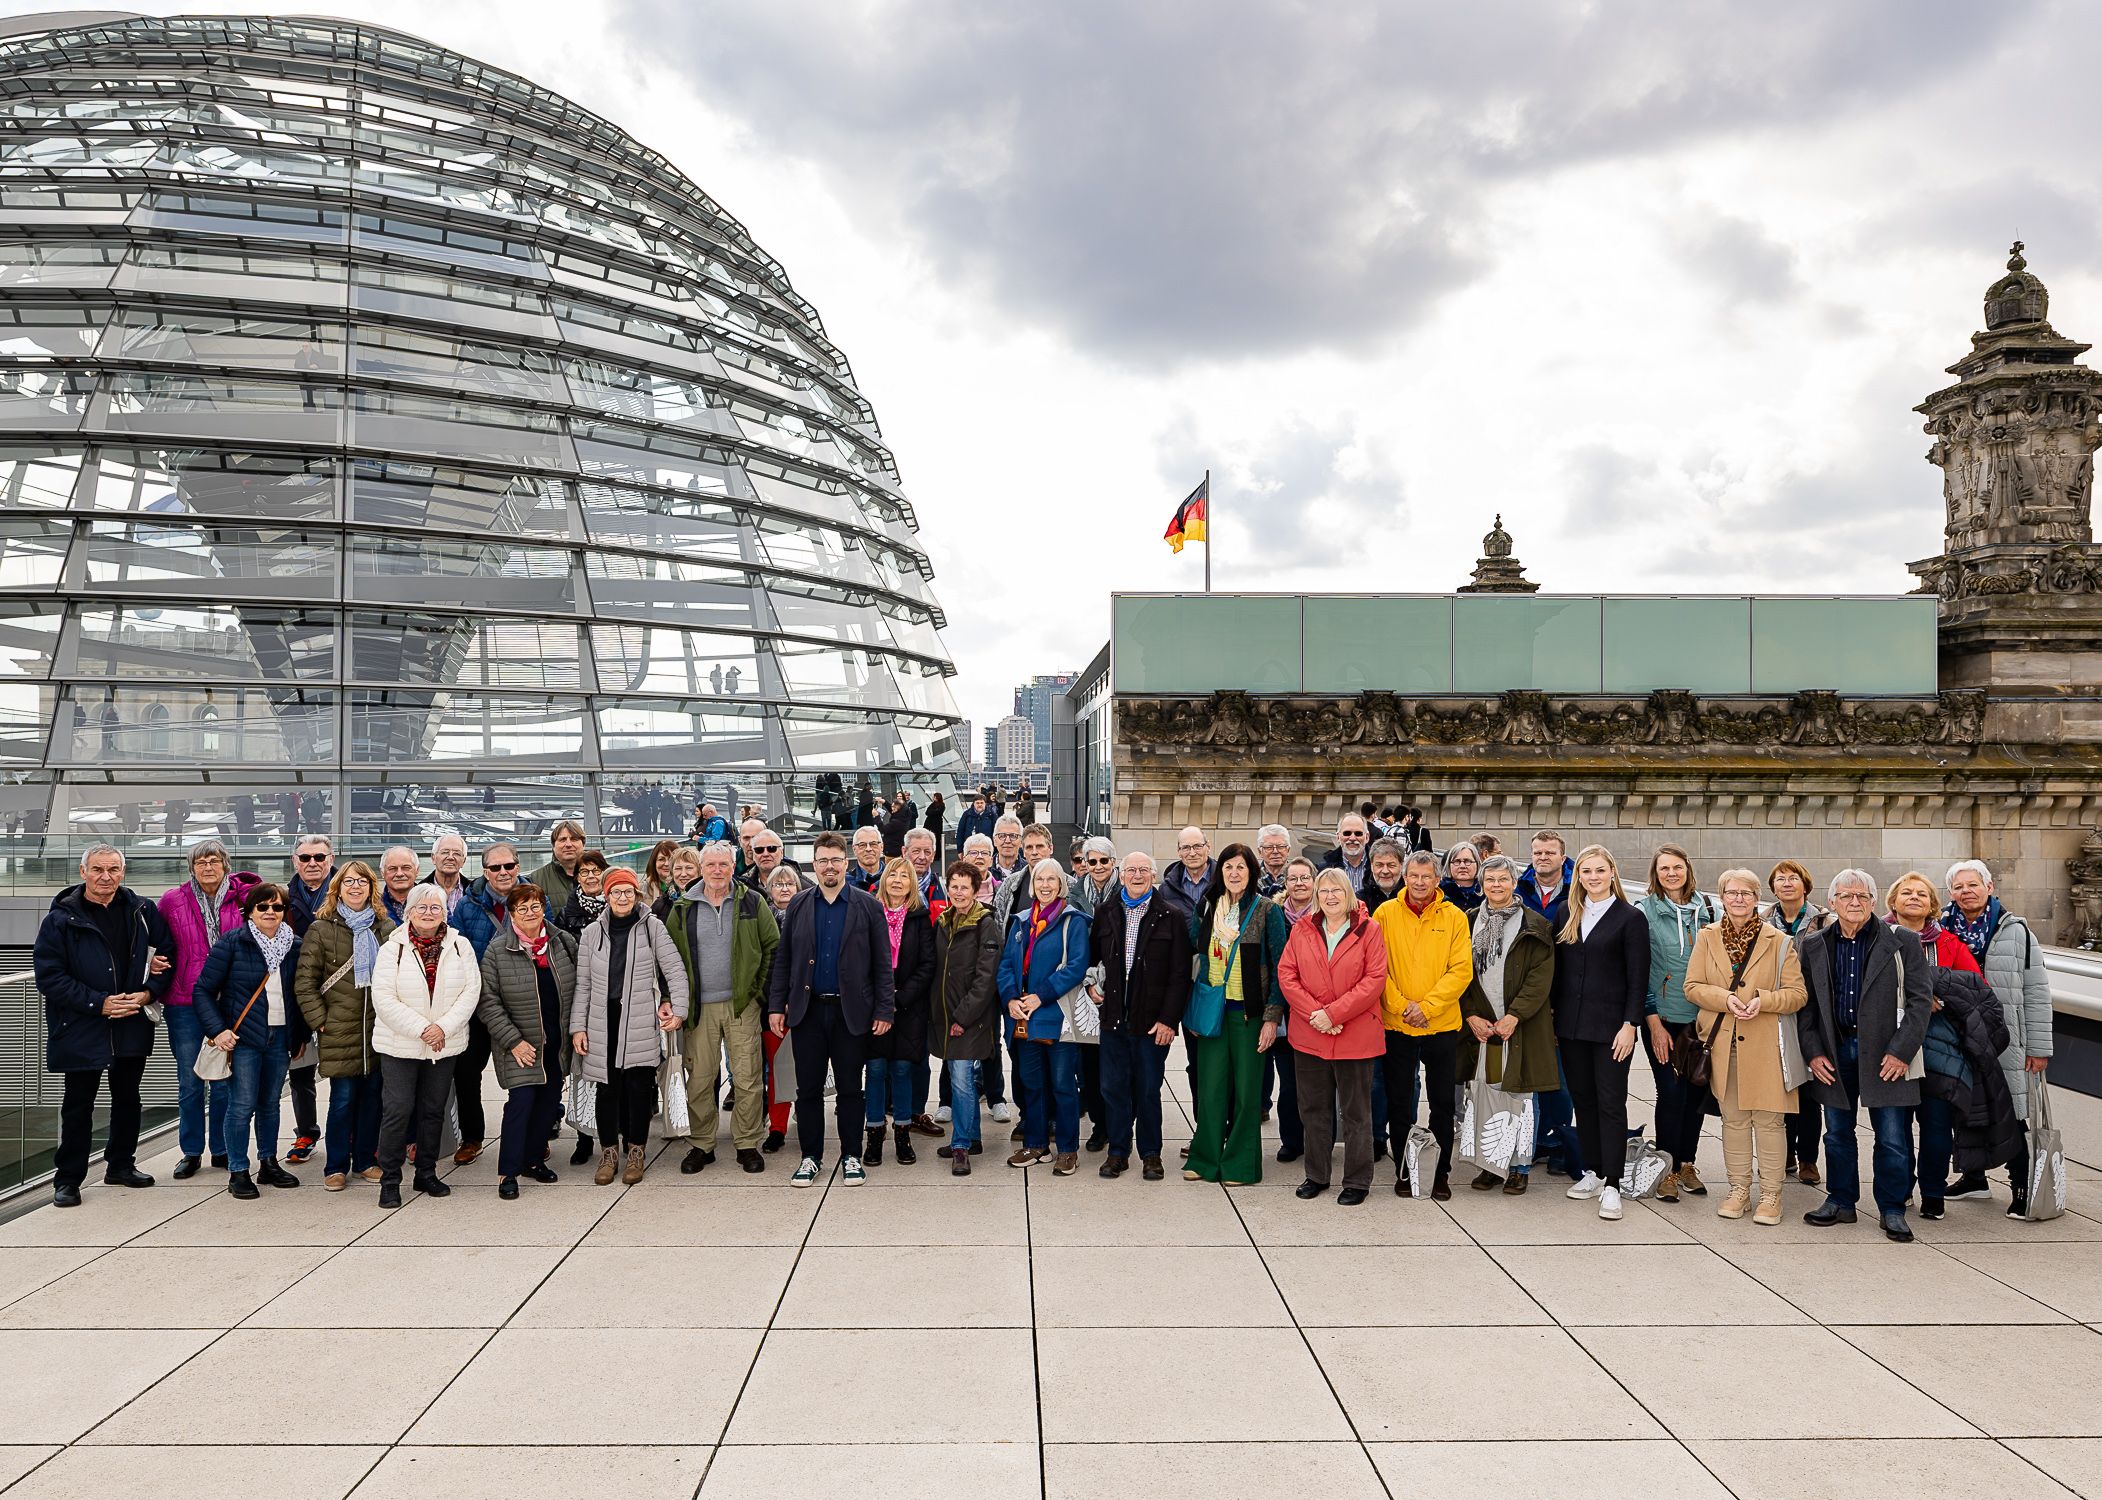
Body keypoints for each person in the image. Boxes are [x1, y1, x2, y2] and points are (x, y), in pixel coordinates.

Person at [1797, 869, 1933, 1241]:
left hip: (1887, 1055)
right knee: (1837, 1134)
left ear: (1874, 902)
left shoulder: (1903, 941)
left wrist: (1902, 1052)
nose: (1854, 903)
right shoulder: (1814, 944)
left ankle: (1891, 1208)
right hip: (1834, 1053)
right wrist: (1812, 1053)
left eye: (1862, 896)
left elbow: (1921, 1002)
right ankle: (1841, 1201)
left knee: (1892, 1136)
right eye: (1846, 896)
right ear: (1832, 902)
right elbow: (1805, 1007)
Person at [35, 844, 173, 1208]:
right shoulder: (61, 919)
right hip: (83, 1025)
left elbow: (167, 955)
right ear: (83, 872)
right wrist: (99, 1004)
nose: (105, 877)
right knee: (78, 1105)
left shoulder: (143, 910)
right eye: (97, 869)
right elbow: (50, 977)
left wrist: (147, 994)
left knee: (128, 1099)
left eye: (113, 869)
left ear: (123, 872)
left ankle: (121, 1166)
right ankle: (68, 1180)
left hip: (131, 1020)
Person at [1683, 869, 1808, 1226]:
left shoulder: (1779, 941)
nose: (1738, 899)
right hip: (1723, 1043)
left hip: (1766, 1043)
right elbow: (1692, 986)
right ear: (1721, 897)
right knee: (1734, 1121)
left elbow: (1797, 994)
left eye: (1746, 893)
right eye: (1731, 892)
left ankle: (1771, 1194)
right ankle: (1739, 1188)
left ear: (1757, 898)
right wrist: (1724, 998)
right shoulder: (1707, 938)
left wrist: (1762, 999)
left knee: (1769, 1122)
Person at [770, 832, 895, 1187]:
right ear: (814, 863)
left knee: (850, 1090)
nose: (829, 866)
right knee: (807, 1089)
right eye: (822, 860)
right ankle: (811, 1156)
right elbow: (785, 960)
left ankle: (851, 1155)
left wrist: (884, 1010)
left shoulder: (867, 906)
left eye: (835, 860)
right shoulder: (798, 904)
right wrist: (777, 1005)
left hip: (850, 1014)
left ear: (846, 863)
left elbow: (882, 964)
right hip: (808, 1013)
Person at [1885, 871, 2000, 1219]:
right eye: (1906, 892)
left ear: (1932, 904)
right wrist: (1916, 995)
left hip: (1941, 1050)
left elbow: (1977, 990)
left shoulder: (1949, 944)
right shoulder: (1877, 940)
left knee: (1936, 1127)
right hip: (1892, 1046)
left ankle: (1933, 1191)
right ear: (1893, 901)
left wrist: (1943, 992)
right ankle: (1901, 1189)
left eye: (1922, 893)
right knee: (1895, 1127)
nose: (1914, 897)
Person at [1942, 859, 2052, 1217]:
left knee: (2011, 1112)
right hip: (1959, 1032)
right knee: (1966, 1106)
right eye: (1959, 887)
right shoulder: (1942, 928)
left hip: (2006, 1037)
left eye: (1973, 885)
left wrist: (2038, 1047)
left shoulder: (2016, 931)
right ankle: (1974, 1178)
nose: (1966, 892)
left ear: (1989, 888)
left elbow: (2036, 992)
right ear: (1950, 893)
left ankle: (2021, 1185)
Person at [666, 841, 780, 1175]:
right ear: (702, 868)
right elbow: (669, 957)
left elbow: (772, 947)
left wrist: (757, 993)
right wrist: (673, 1000)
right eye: (711, 865)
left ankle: (746, 1142)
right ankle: (702, 1144)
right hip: (699, 1008)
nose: (718, 871)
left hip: (741, 1006)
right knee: (700, 1078)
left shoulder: (752, 901)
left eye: (724, 865)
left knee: (748, 1078)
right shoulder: (683, 907)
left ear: (734, 866)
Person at [1278, 867, 1389, 1203]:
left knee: (1356, 1113)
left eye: (1336, 890)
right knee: (1313, 1109)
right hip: (1310, 1033)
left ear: (1348, 894)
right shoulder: (1302, 928)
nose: (1330, 896)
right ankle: (1316, 1174)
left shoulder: (1369, 929)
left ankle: (1356, 1181)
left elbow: (1374, 979)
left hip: (1355, 1034)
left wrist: (1333, 1014)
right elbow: (1287, 974)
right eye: (1323, 890)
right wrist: (1317, 1015)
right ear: (1316, 895)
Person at [572, 868, 689, 1186]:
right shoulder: (592, 933)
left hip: (638, 1018)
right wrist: (578, 1028)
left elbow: (674, 969)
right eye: (615, 892)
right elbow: (582, 985)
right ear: (606, 896)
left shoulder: (652, 927)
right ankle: (608, 1153)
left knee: (639, 1089)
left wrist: (678, 1009)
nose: (622, 898)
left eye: (627, 891)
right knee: (606, 1090)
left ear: (636, 894)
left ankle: (636, 1151)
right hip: (601, 1021)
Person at [371, 882, 483, 1208]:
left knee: (433, 1111)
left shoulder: (460, 946)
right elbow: (383, 997)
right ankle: (390, 1180)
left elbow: (470, 992)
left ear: (445, 910)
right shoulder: (393, 948)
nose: (429, 912)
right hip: (400, 1045)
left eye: (435, 907)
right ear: (409, 912)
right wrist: (423, 1029)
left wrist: (443, 1028)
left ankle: (426, 1172)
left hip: (443, 1045)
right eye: (421, 907)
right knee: (397, 1111)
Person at [1551, 845, 1647, 1221]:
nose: (1593, 877)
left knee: (1610, 1103)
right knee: (1583, 1100)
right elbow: (1560, 973)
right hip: (1573, 1027)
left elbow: (1638, 979)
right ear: (1579, 876)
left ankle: (1613, 1184)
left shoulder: (1629, 918)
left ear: (1612, 873)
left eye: (1599, 870)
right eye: (1586, 871)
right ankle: (1592, 1170)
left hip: (1612, 1029)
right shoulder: (1566, 912)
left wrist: (1630, 1025)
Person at [1185, 844, 1289, 1185]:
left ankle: (1241, 1165)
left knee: (1246, 1093)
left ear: (1251, 873)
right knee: (1211, 1089)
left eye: (1240, 868)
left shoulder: (1265, 911)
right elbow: (1197, 956)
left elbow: (1279, 968)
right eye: (1228, 867)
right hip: (1214, 1010)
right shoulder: (1209, 907)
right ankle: (1205, 1160)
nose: (1233, 873)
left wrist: (1272, 1018)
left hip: (1250, 1015)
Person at [1372, 850, 1473, 1199]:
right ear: (1404, 875)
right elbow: (1377, 967)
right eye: (1413, 876)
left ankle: (1440, 1171)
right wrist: (1401, 1006)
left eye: (1426, 877)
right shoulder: (1385, 914)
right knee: (1400, 1102)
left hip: (1441, 1025)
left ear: (1437, 878)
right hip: (1397, 1025)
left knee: (1442, 1103)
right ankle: (1404, 1167)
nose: (1419, 882)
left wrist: (1427, 1007)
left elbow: (1461, 970)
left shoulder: (1455, 917)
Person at [193, 883, 304, 1198]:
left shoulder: (294, 945)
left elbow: (299, 994)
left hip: (280, 1036)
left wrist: (299, 1035)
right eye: (263, 907)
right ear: (250, 912)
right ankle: (238, 1171)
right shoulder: (233, 943)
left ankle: (268, 1162)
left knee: (270, 1104)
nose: (270, 912)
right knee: (241, 1105)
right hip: (243, 1039)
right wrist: (218, 1030)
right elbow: (202, 991)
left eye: (277, 907)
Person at [1087, 850, 1191, 1181]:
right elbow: (1092, 959)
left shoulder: (1170, 916)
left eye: (1143, 870)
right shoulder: (1105, 912)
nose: (1136, 875)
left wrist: (1168, 1021)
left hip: (1151, 1024)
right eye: (1130, 870)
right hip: (1114, 1020)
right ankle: (1118, 1152)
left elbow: (1179, 974)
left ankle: (1150, 1154)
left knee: (1147, 1090)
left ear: (1153, 876)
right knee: (1113, 1089)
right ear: (1121, 875)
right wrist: (1092, 986)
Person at [1455, 855, 1556, 1196]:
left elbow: (1540, 977)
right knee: (1482, 1092)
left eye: (1503, 879)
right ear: (1482, 884)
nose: (1496, 885)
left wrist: (1515, 1015)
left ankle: (1519, 1167)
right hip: (1482, 1025)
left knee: (1520, 1095)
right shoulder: (1469, 922)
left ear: (1515, 882)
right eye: (1490, 880)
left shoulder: (1535, 924)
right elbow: (1460, 973)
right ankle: (1489, 1165)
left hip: (1520, 1025)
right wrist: (1470, 1014)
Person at [156, 838, 255, 1179]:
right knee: (190, 1080)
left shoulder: (242, 899)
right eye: (200, 863)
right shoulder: (172, 900)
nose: (208, 868)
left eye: (213, 861)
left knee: (225, 1080)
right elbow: (156, 941)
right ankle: (191, 1150)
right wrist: (151, 963)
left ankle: (223, 1149)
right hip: (184, 1001)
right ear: (192, 868)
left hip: (230, 1001)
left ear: (225, 864)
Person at [293, 861, 394, 1191]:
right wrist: (320, 1022)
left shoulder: (386, 928)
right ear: (338, 888)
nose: (355, 887)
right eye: (348, 881)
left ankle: (365, 1160)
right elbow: (305, 982)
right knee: (342, 1101)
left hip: (377, 1029)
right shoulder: (321, 929)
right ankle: (335, 1166)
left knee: (372, 1100)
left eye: (362, 882)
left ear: (371, 888)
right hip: (339, 1029)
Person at [478, 881, 577, 1199]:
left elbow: (579, 988)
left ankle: (533, 1161)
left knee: (548, 1105)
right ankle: (508, 1171)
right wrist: (513, 1041)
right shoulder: (497, 950)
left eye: (536, 906)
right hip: (520, 1045)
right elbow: (487, 1001)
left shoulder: (562, 943)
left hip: (556, 1042)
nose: (531, 913)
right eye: (523, 908)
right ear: (511, 913)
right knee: (521, 1105)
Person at [999, 859, 1093, 1174]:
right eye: (1040, 879)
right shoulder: (1020, 921)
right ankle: (1036, 1145)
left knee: (1063, 1085)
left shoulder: (1073, 921)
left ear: (1061, 884)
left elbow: (1076, 967)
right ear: (1033, 884)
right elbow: (1006, 966)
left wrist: (1041, 995)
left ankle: (1067, 1149)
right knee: (1032, 1085)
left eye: (1052, 879)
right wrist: (1011, 998)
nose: (1045, 885)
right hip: (1024, 1016)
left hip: (1058, 1016)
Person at [1639, 843, 1717, 1202]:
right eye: (1664, 868)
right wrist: (1653, 1023)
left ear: (1688, 869)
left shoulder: (1709, 909)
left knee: (1695, 1092)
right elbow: (1642, 972)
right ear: (1655, 874)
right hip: (1664, 1017)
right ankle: (1666, 1168)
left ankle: (1687, 1163)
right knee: (1670, 1094)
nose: (1672, 873)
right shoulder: (1645, 912)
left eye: (1677, 867)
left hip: (1703, 1019)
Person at [859, 856, 935, 1166]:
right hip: (876, 1008)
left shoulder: (920, 916)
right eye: (893, 875)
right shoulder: (869, 914)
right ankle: (875, 1132)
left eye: (904, 876)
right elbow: (859, 961)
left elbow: (928, 963)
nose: (898, 881)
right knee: (876, 1070)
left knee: (903, 1071)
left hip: (908, 1008)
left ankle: (903, 1132)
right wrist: (880, 998)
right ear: (884, 880)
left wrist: (900, 996)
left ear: (911, 882)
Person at [930, 862, 1000, 1174]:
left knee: (960, 1082)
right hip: (945, 1016)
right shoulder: (944, 921)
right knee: (961, 1079)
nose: (958, 891)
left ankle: (960, 1147)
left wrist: (963, 1015)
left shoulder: (985, 922)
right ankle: (972, 1137)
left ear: (975, 890)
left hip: (971, 1017)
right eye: (954, 886)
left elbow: (986, 977)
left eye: (965, 887)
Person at [1765, 859, 1831, 1187]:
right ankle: (1784, 1153)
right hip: (1776, 1010)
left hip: (1812, 1012)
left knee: (1807, 1090)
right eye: (1781, 879)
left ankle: (1807, 1158)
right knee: (1779, 1087)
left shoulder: (1822, 921)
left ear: (1805, 885)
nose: (1787, 884)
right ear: (1773, 887)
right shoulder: (1763, 920)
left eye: (1794, 879)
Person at [280, 832, 334, 1164]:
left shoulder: (349, 892)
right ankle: (306, 1132)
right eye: (305, 858)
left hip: (342, 992)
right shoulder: (282, 899)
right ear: (295, 862)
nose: (312, 863)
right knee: (300, 1067)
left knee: (350, 1067)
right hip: (297, 991)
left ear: (330, 860)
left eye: (318, 857)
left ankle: (354, 1134)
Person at [760, 862, 802, 1150]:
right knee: (777, 1070)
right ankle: (777, 1127)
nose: (784, 888)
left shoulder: (808, 916)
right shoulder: (763, 920)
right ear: (768, 889)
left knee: (804, 1068)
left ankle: (806, 1115)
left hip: (803, 1004)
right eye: (778, 884)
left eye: (789, 884)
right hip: (771, 1006)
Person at [528, 820, 588, 916]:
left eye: (574, 839)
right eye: (562, 840)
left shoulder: (604, 874)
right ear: (553, 846)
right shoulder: (535, 880)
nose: (568, 844)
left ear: (583, 844)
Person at [553, 849, 610, 935]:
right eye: (584, 872)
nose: (591, 876)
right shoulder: (564, 916)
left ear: (605, 875)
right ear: (578, 878)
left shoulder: (619, 907)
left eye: (596, 871)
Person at [1162, 826, 1213, 912]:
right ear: (1179, 851)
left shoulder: (1223, 881)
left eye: (1197, 846)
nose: (1192, 853)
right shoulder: (1166, 888)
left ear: (1208, 847)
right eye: (1186, 848)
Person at [742, 827, 801, 900]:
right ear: (753, 855)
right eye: (759, 850)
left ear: (782, 853)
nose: (765, 854)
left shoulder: (802, 884)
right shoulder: (742, 886)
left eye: (772, 848)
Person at [1320, 813, 1372, 893]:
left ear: (1367, 837)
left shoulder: (1380, 867)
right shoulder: (1324, 869)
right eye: (1347, 833)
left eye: (1358, 833)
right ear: (1338, 837)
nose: (1352, 838)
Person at [1357, 838, 1406, 920]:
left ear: (1401, 866)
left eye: (1391, 865)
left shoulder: (1412, 898)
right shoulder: (1360, 900)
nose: (1385, 871)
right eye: (1379, 865)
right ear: (1372, 866)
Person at [655, 845, 703, 921]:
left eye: (689, 868)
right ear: (672, 872)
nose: (683, 874)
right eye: (678, 868)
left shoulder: (709, 901)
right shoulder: (660, 905)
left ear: (700, 871)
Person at [1439, 841, 1484, 914]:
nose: (1462, 866)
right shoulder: (1439, 893)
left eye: (1467, 861)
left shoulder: (1487, 891)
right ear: (1449, 865)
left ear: (1477, 864)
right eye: (1457, 861)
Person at [378, 845, 419, 923]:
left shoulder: (434, 901)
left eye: (406, 868)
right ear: (382, 872)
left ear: (417, 870)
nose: (399, 874)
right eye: (392, 869)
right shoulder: (372, 906)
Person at [1254, 824, 1294, 898]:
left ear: (1288, 850)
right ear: (1260, 852)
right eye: (1269, 847)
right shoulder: (1251, 878)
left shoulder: (1299, 878)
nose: (1275, 851)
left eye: (1280, 847)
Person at [848, 825, 886, 892]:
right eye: (862, 845)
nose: (868, 849)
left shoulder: (894, 879)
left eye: (873, 844)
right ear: (854, 849)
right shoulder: (845, 883)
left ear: (882, 847)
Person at [645, 839, 681, 907]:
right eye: (661, 859)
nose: (667, 864)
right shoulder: (642, 888)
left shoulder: (689, 888)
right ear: (654, 863)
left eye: (671, 859)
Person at [923, 791, 947, 861]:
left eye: (934, 797)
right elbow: (927, 812)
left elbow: (938, 812)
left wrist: (933, 812)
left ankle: (938, 855)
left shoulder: (942, 805)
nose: (933, 798)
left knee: (937, 839)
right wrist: (934, 811)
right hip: (930, 823)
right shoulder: (933, 804)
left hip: (937, 824)